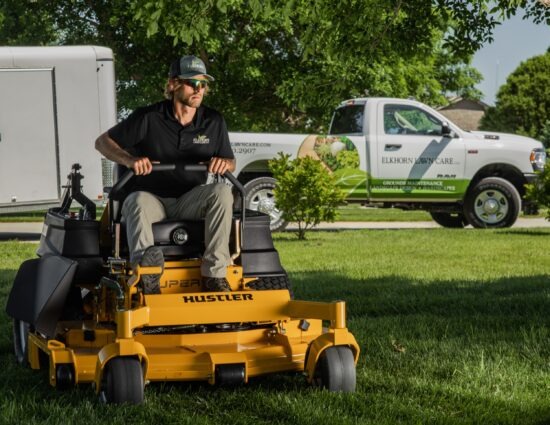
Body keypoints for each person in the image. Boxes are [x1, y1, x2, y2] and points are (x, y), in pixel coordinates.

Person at [95, 55, 235, 294]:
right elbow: (102, 142)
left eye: (203, 84)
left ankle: (214, 275)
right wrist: (130, 160)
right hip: (152, 199)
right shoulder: (148, 118)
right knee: (137, 200)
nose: (198, 89)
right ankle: (146, 276)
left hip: (189, 199)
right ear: (173, 85)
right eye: (192, 83)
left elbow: (230, 161)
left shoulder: (213, 121)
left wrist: (225, 164)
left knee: (223, 191)